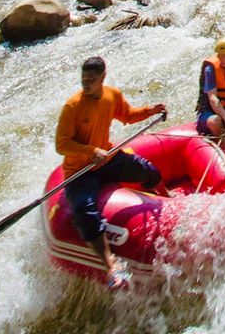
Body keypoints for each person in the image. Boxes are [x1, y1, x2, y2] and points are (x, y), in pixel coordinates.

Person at [55, 56, 166, 289]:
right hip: (81, 170)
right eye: (84, 79)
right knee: (86, 212)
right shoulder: (72, 107)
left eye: (92, 79)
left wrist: (150, 110)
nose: (87, 83)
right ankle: (110, 266)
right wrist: (90, 150)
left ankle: (167, 198)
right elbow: (61, 145)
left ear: (103, 77)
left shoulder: (111, 95)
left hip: (107, 159)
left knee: (150, 171)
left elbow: (128, 115)